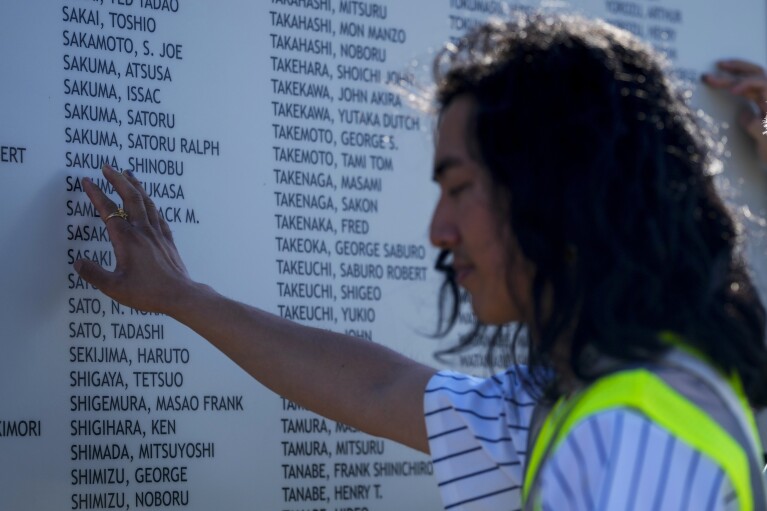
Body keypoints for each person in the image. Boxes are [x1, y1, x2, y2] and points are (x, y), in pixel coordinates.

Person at [73, 13, 767, 511]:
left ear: (560, 192)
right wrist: (186, 299)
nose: (438, 229)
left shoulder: (632, 432)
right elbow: (382, 388)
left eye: (460, 188)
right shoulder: (581, 393)